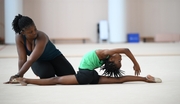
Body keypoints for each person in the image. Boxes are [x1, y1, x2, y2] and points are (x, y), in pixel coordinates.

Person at [13, 48, 162, 86]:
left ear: (111, 59)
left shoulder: (106, 53)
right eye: (120, 59)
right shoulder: (106, 57)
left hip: (85, 75)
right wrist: (142, 77)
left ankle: (26, 79)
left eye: (119, 60)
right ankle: (146, 79)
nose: (120, 56)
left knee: (55, 80)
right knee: (119, 80)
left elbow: (126, 50)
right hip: (92, 76)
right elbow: (121, 76)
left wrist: (135, 63)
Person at [4, 14, 76, 83]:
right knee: (47, 75)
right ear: (23, 32)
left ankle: (53, 68)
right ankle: (45, 70)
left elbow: (31, 59)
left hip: (55, 57)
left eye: (35, 29)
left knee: (71, 75)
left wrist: (18, 75)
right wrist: (19, 76)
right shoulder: (19, 38)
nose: (34, 33)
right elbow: (22, 59)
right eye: (30, 32)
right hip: (38, 61)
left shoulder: (42, 37)